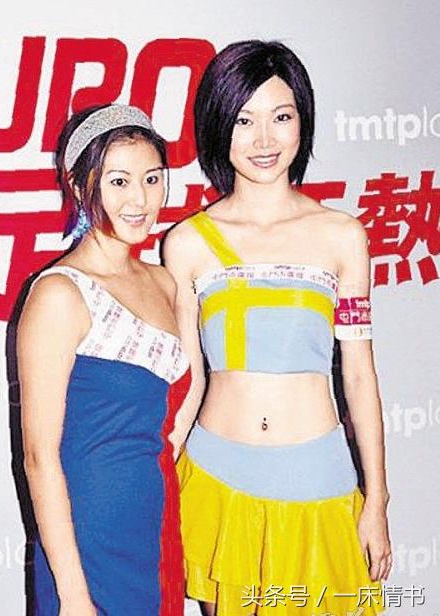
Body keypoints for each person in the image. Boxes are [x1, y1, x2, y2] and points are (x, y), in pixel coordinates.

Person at [163, 40, 392, 616]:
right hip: (216, 477)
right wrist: (160, 478)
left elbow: (358, 377)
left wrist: (377, 499)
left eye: (281, 117)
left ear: (302, 122)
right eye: (244, 120)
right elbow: (190, 379)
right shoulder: (188, 243)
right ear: (218, 125)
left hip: (317, 477)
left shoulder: (342, 236)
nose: (264, 140)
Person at [16, 103, 190, 616]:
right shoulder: (59, 294)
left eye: (152, 179)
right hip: (87, 537)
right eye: (118, 182)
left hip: (156, 520)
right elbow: (39, 457)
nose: (140, 200)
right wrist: (73, 594)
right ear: (78, 185)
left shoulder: (165, 282)